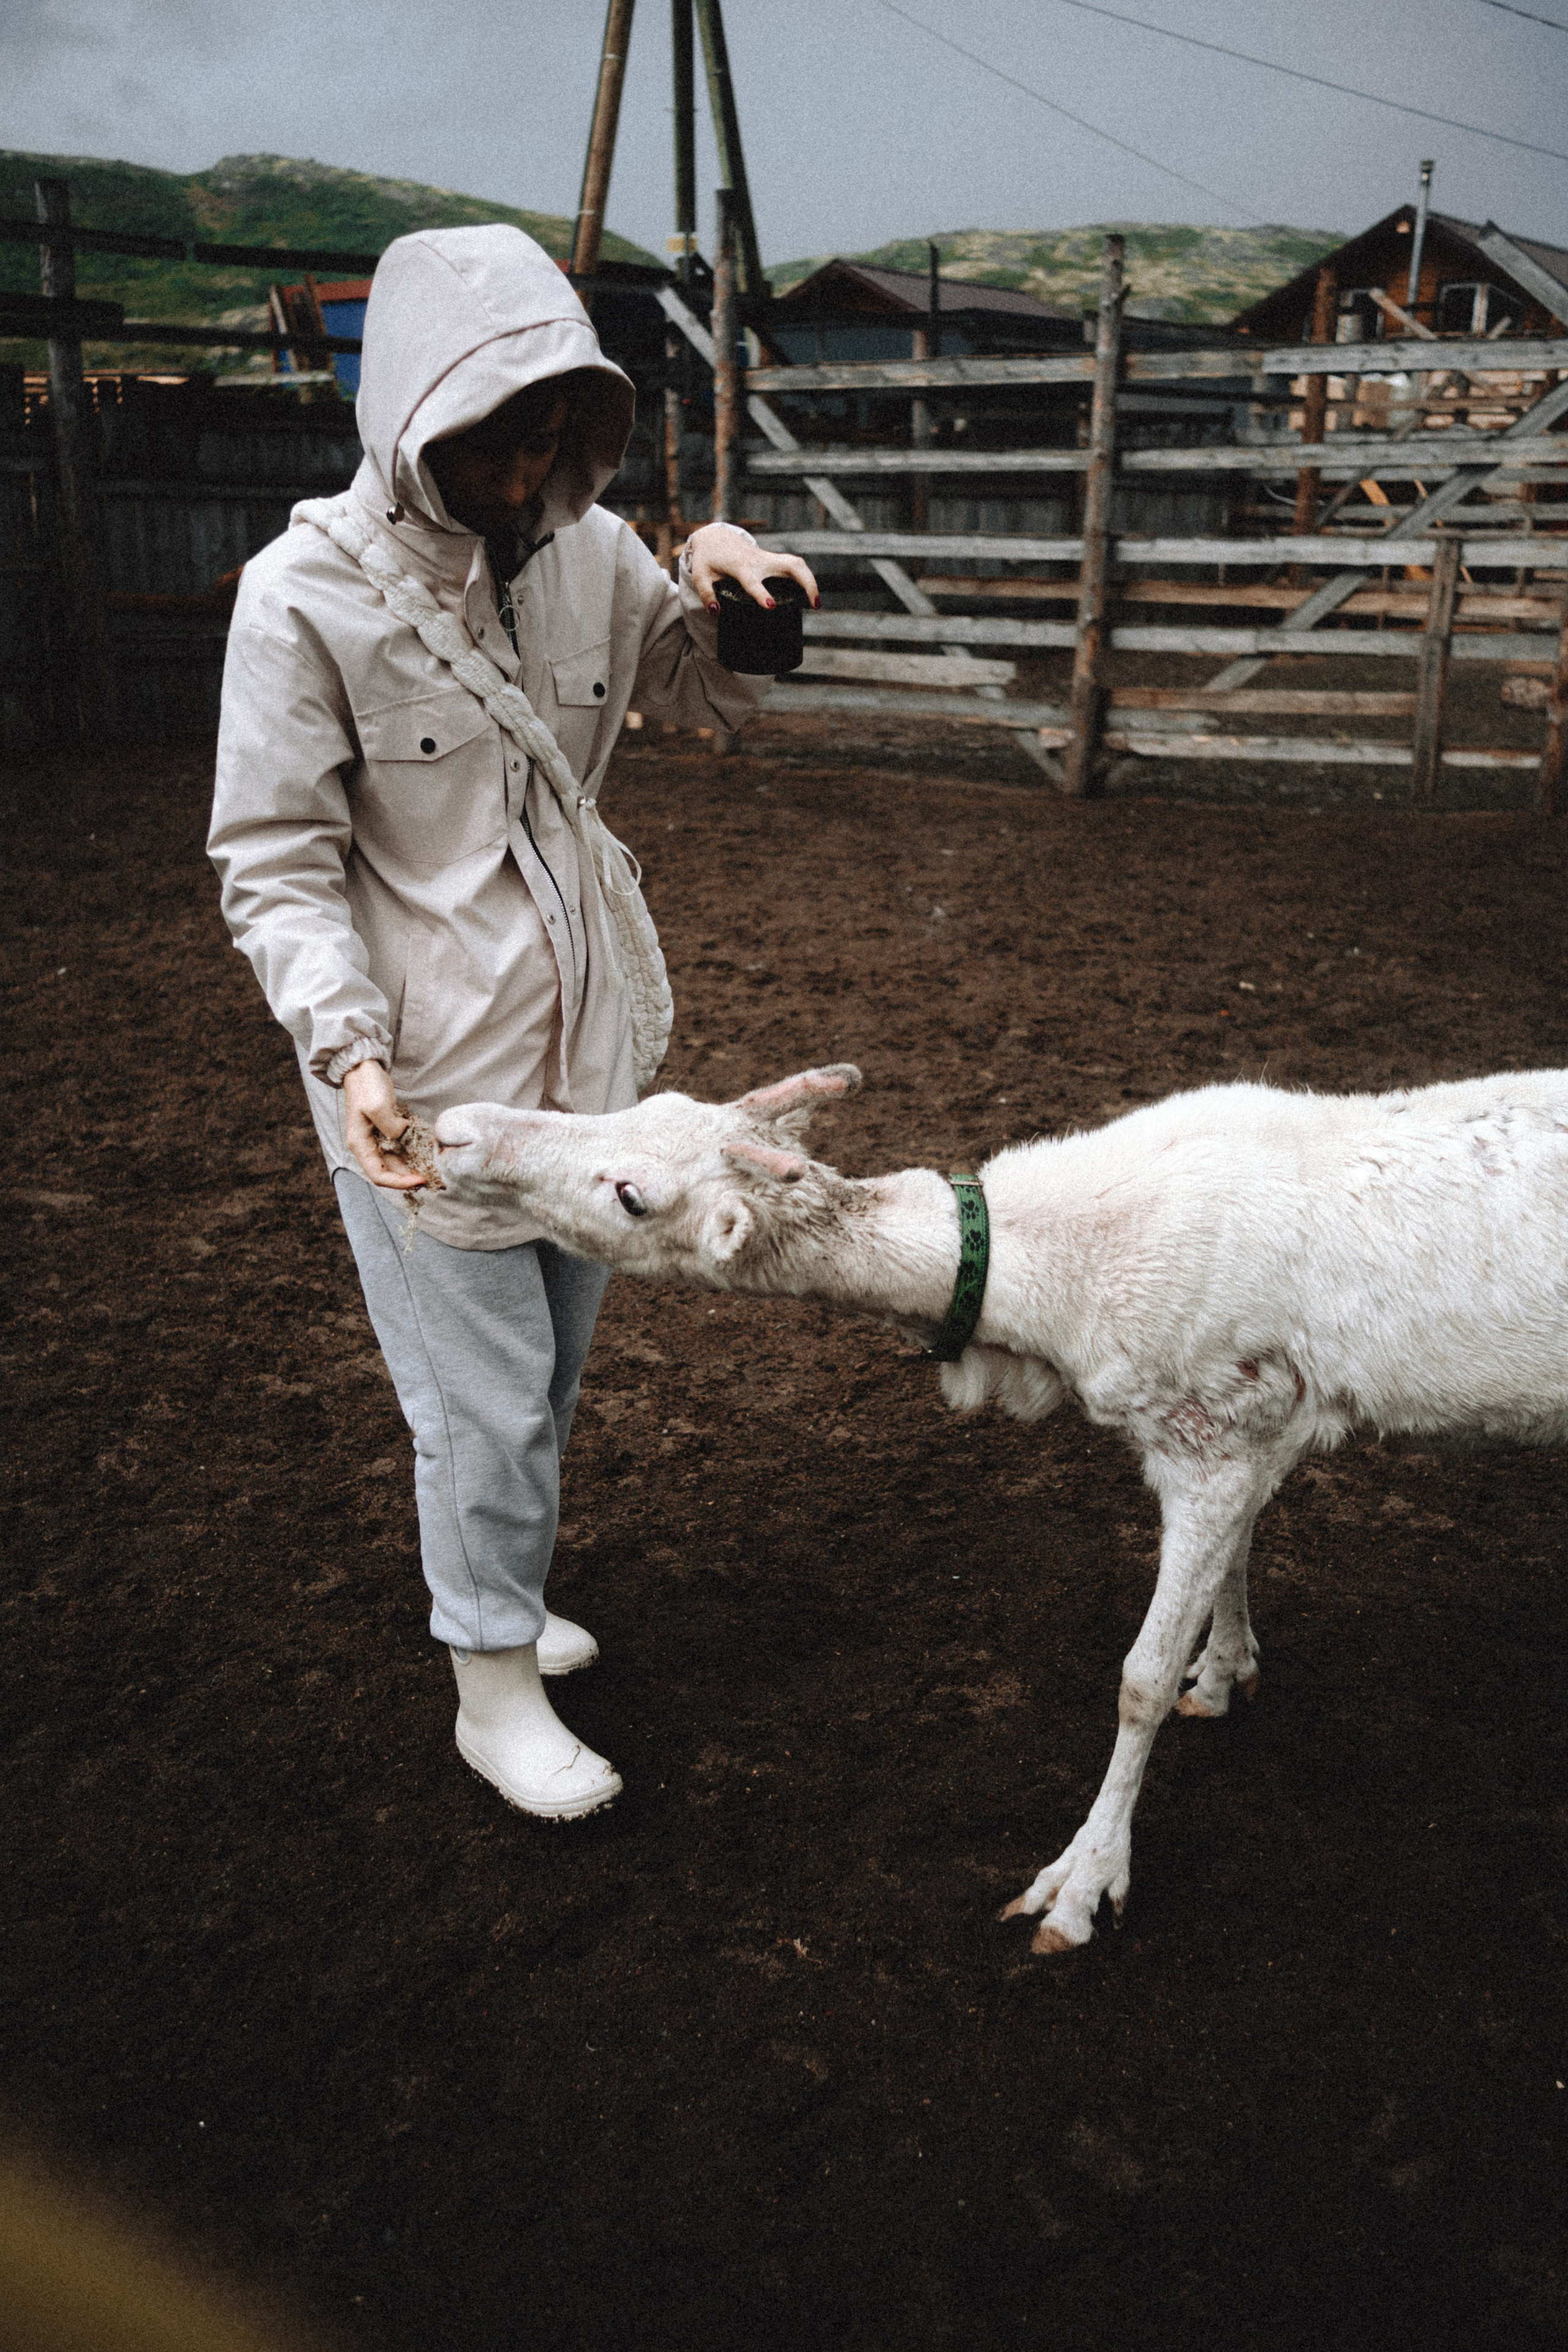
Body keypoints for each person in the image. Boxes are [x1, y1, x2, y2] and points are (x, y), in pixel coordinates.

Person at [209, 225, 816, 1821]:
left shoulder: (589, 552)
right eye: (496, 432)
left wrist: (725, 587)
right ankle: (490, 1684)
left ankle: (512, 1599)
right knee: (475, 1397)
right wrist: (347, 1056)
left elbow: (691, 694)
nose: (527, 461)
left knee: (540, 1378)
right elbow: (272, 862)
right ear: (411, 410)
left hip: (593, 1063)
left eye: (554, 428)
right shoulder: (303, 602)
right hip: (423, 1088)